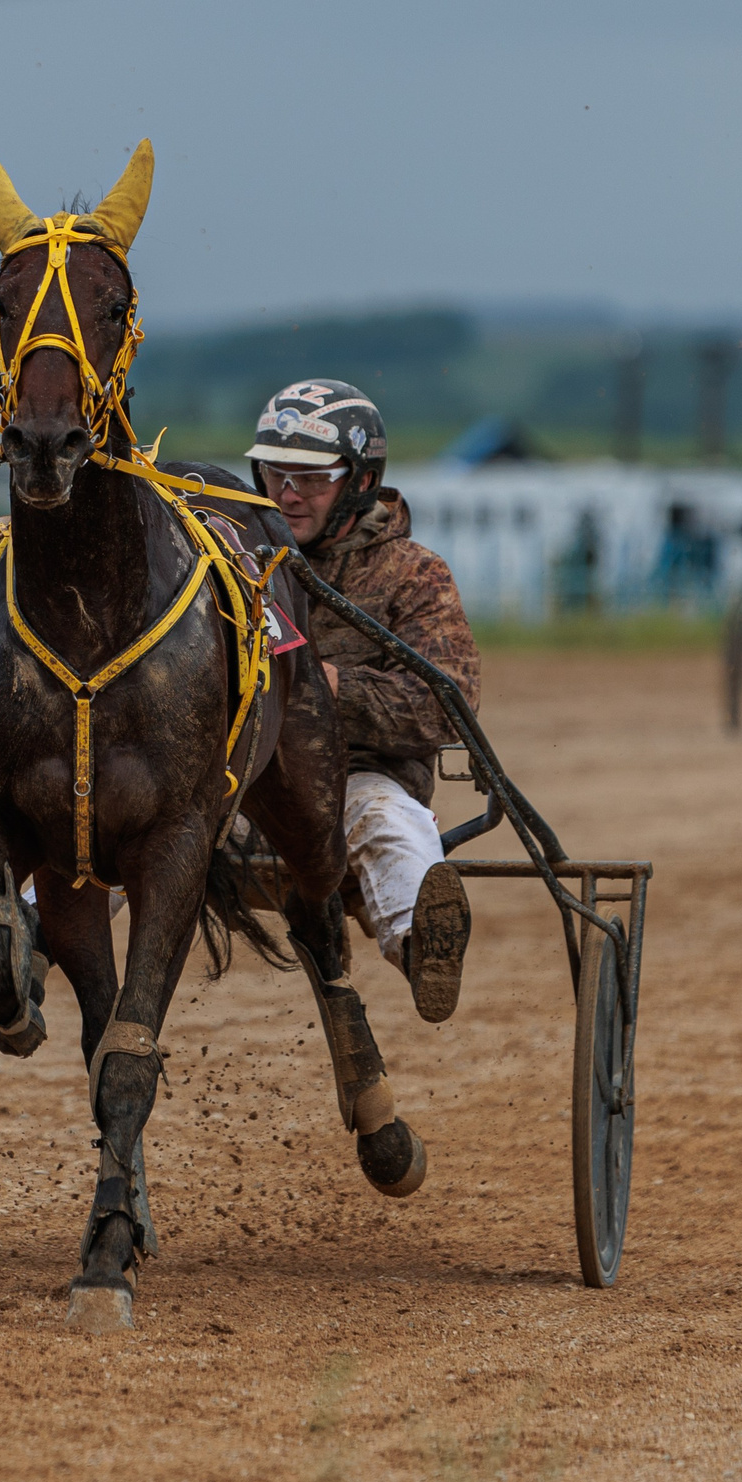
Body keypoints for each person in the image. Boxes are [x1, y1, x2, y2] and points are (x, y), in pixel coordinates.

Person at [249, 379, 478, 1023]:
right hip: (237, 780)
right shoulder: (238, 563)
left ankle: (419, 945)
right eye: (273, 472)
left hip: (356, 782)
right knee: (134, 810)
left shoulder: (414, 573)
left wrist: (331, 688)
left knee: (389, 823)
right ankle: (32, 930)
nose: (286, 493)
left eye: (310, 478)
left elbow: (448, 703)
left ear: (360, 480)